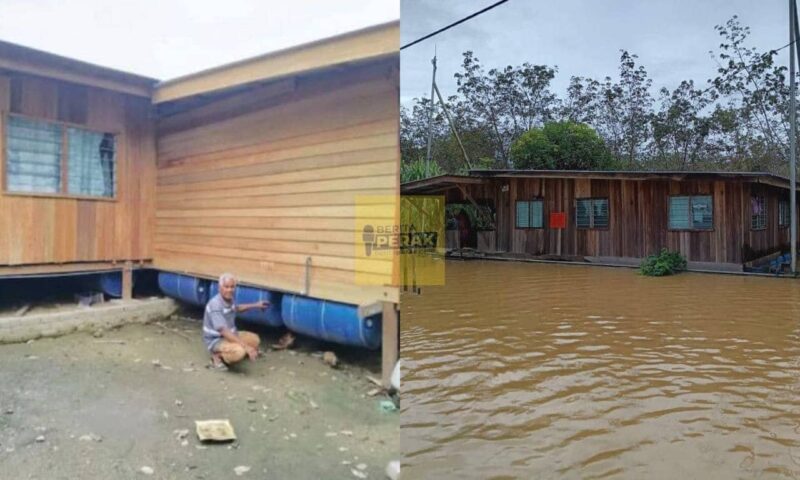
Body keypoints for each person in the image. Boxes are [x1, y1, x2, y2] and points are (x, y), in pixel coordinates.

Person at [203, 273, 270, 369]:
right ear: (219, 288)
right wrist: (246, 347)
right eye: (226, 287)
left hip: (231, 334)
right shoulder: (215, 304)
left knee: (255, 340)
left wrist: (256, 305)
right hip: (216, 340)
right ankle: (217, 357)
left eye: (232, 287)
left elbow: (237, 308)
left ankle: (238, 349)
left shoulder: (229, 299)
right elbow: (223, 331)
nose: (229, 290)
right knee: (239, 352)